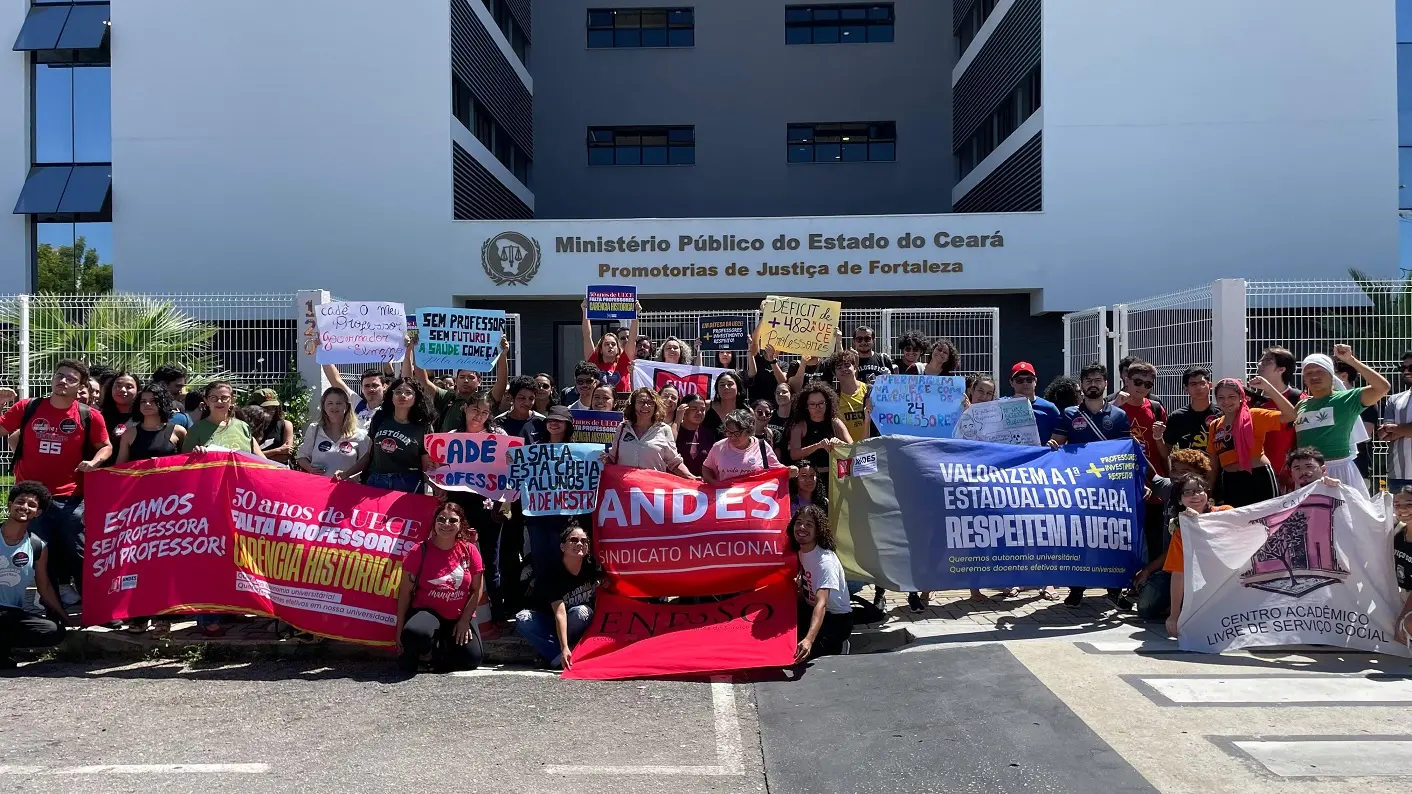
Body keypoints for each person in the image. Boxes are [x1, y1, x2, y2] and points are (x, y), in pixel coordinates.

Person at [0, 360, 111, 606]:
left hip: (71, 498)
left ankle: (96, 605)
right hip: (33, 501)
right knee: (41, 557)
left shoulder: (88, 415)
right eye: (60, 375)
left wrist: (94, 462)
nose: (63, 381)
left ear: (81, 387)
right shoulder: (27, 407)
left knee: (79, 554)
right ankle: (51, 607)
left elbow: (105, 447)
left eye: (71, 379)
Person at [1047, 362, 1130, 607]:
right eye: (1088, 380)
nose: (1093, 384)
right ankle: (1076, 588)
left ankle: (1114, 589)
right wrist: (1053, 445)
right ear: (1081, 385)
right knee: (1079, 537)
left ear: (1106, 384)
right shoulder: (1070, 414)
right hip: (1078, 488)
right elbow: (1057, 442)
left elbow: (1124, 452)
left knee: (1112, 537)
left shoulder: (1119, 416)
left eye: (1098, 380)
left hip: (1109, 488)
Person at [394, 501, 484, 674]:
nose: (446, 524)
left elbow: (476, 589)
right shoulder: (418, 551)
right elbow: (404, 593)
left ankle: (441, 647)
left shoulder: (470, 551)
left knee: (472, 659)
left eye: (452, 520)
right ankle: (426, 652)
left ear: (460, 525)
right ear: (434, 523)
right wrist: (398, 632)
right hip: (427, 611)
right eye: (441, 519)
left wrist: (465, 620)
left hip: (459, 614)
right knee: (414, 635)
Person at [1293, 346, 1389, 496]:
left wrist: (1351, 360)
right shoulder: (1301, 405)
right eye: (1309, 373)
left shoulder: (1347, 399)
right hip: (1307, 474)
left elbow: (1382, 387)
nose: (1314, 376)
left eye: (1319, 371)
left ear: (1331, 375)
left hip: (1339, 470)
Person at [1, 482, 69, 669]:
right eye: (20, 502)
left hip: (10, 613)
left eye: (32, 505)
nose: (25, 507)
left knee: (54, 631)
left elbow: (44, 587)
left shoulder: (37, 546)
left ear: (38, 513)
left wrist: (65, 616)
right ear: (10, 505)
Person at [515, 521, 601, 669]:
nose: (579, 544)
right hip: (552, 620)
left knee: (581, 612)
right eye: (573, 540)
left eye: (584, 541)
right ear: (562, 546)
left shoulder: (592, 566)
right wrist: (563, 647)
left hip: (576, 623)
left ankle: (555, 655)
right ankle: (562, 655)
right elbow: (560, 613)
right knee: (522, 618)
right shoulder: (552, 573)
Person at [1161, 474, 1233, 638]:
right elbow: (1178, 573)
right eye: (1188, 492)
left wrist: (1201, 524)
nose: (1195, 496)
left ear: (1207, 493)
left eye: (1199, 490)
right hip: (1204, 589)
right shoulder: (1181, 531)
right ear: (1180, 500)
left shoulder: (1226, 512)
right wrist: (1174, 615)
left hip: (1233, 584)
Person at [1206, 377, 1296, 507]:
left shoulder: (1254, 415)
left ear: (1241, 397)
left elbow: (1291, 415)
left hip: (1259, 477)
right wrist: (1209, 490)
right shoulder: (1215, 425)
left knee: (1268, 522)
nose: (1226, 401)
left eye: (1231, 396)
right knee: (1238, 524)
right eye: (1221, 398)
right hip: (1231, 481)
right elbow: (1213, 463)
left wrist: (1269, 388)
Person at [333, 377, 434, 493]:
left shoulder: (423, 427)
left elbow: (426, 466)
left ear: (416, 397)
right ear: (391, 396)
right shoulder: (379, 419)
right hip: (377, 482)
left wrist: (436, 486)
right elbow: (369, 455)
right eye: (398, 392)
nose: (402, 396)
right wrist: (347, 473)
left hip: (408, 485)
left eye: (408, 392)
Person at [409, 334, 511, 434]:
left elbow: (501, 383)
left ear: (479, 381)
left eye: (471, 377)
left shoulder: (486, 400)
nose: (466, 381)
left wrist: (502, 355)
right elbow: (423, 381)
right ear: (456, 381)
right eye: (462, 377)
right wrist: (417, 350)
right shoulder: (446, 398)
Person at [791, 505, 852, 661]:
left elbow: (822, 603)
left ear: (818, 531)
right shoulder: (799, 551)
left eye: (809, 524)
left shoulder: (825, 561)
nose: (802, 527)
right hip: (809, 609)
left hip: (836, 618)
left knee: (803, 656)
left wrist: (809, 640)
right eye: (798, 522)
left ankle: (839, 645)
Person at [1248, 346, 1306, 490]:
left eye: (1267, 361)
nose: (1260, 364)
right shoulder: (1251, 400)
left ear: (1281, 369)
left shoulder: (1298, 398)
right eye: (1260, 360)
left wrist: (1293, 469)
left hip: (1288, 477)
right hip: (1254, 474)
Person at [606, 388, 696, 478]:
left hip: (651, 488)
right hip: (624, 489)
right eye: (641, 402)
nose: (646, 406)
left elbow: (675, 463)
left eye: (650, 403)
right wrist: (599, 458)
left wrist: (691, 477)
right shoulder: (622, 428)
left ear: (656, 406)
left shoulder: (664, 429)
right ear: (633, 405)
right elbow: (612, 458)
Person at [702, 408, 792, 483]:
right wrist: (715, 484)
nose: (732, 437)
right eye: (728, 432)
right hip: (726, 500)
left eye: (737, 433)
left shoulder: (762, 447)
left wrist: (791, 470)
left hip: (753, 501)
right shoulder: (719, 447)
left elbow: (778, 470)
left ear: (748, 430)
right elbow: (707, 468)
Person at [295, 386, 368, 476]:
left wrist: (348, 475)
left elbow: (365, 465)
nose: (334, 407)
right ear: (324, 407)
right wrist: (310, 468)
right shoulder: (314, 430)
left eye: (339, 403)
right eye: (330, 403)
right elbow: (302, 457)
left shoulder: (360, 435)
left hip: (347, 488)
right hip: (318, 486)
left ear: (347, 406)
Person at [182, 382, 265, 459]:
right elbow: (184, 462)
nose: (219, 401)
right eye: (213, 398)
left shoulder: (243, 427)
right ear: (206, 401)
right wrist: (195, 454)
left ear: (232, 400)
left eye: (224, 398)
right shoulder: (196, 430)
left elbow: (261, 460)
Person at [115, 382, 188, 464]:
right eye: (143, 401)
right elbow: (119, 467)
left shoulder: (179, 431)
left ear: (163, 403)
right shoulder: (129, 434)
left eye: (153, 400)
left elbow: (187, 463)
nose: (147, 404)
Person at [1333, 359, 1380, 486]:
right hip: (1329, 469)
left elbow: (1365, 435)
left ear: (1344, 375)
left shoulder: (1364, 400)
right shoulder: (1326, 402)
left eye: (1329, 372)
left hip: (1357, 469)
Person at [582, 299, 640, 396]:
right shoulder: (593, 362)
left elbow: (632, 339)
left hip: (621, 407)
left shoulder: (624, 362)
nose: (610, 346)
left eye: (613, 344)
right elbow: (587, 337)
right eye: (606, 344)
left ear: (618, 348)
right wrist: (585, 311)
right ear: (600, 349)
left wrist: (636, 315)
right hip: (599, 406)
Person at [1160, 367, 1217, 456]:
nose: (1198, 388)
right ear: (1186, 388)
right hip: (1189, 468)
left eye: (1202, 383)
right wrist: (1157, 437)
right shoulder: (1177, 417)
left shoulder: (1221, 413)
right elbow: (1165, 452)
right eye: (1193, 384)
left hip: (1218, 469)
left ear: (1210, 385)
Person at [323, 364, 390, 430]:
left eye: (375, 385)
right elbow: (335, 380)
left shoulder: (392, 408)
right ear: (362, 389)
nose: (371, 389)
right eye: (367, 386)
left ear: (384, 387)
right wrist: (323, 354)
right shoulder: (358, 405)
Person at [1381, 351, 1412, 493]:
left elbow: (1390, 430)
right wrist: (1405, 429)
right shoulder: (1394, 399)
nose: (1406, 371)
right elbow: (1384, 435)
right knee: (1399, 515)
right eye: (1403, 368)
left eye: (1411, 368)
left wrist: (1395, 429)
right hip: (1398, 475)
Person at [824, 326, 893, 386]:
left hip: (878, 399)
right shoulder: (849, 361)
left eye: (867, 339)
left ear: (874, 340)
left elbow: (893, 383)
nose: (863, 342)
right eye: (859, 339)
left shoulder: (883, 359)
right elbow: (840, 360)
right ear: (854, 341)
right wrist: (838, 342)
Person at [1010, 362, 1061, 443]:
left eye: (1029, 380)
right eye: (1020, 380)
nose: (1025, 383)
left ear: (1035, 381)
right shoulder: (1002, 405)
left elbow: (1062, 438)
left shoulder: (1049, 408)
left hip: (1041, 455)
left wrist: (1053, 444)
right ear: (1012, 383)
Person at [745, 309, 787, 401]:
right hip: (757, 406)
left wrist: (772, 360)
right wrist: (766, 315)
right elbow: (755, 338)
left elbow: (782, 382)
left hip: (776, 406)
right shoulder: (757, 359)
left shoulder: (783, 365)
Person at [829, 350, 869, 444]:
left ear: (855, 368)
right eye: (839, 368)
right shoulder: (834, 399)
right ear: (834, 374)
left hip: (873, 449)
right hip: (848, 451)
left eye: (847, 365)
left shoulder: (869, 391)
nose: (844, 369)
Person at [1389, 487, 1412, 644]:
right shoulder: (1397, 531)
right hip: (1400, 595)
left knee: (1409, 623)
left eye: (1409, 504)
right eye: (1396, 504)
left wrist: (1402, 618)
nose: (1401, 509)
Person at [674, 394, 717, 477]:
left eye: (703, 409)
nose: (699, 412)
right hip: (675, 485)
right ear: (684, 410)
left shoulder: (709, 434)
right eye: (694, 409)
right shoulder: (673, 431)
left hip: (701, 486)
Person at [249, 388, 295, 464]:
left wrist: (261, 456)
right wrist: (277, 451)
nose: (271, 410)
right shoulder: (247, 427)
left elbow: (285, 455)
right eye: (266, 408)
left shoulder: (285, 425)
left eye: (273, 407)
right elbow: (248, 455)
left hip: (279, 470)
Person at [495, 376, 547, 442]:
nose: (527, 403)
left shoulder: (542, 421)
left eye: (531, 398)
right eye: (522, 398)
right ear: (512, 398)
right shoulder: (498, 422)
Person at [99, 370, 139, 450]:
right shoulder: (99, 416)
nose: (123, 390)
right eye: (118, 386)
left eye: (129, 387)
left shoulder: (144, 417)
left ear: (138, 391)